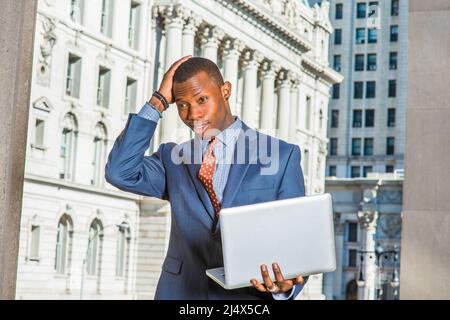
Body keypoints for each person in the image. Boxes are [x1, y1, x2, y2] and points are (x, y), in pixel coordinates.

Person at [105, 55, 308, 300]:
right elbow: (119, 171)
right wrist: (158, 101)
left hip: (247, 299)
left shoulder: (281, 156)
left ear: (225, 91)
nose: (193, 114)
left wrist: (286, 286)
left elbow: (297, 238)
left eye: (202, 99)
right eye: (182, 104)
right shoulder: (173, 158)